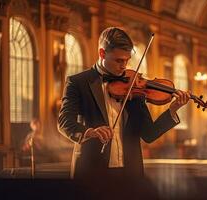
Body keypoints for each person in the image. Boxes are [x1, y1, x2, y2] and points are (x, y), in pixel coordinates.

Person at [57, 27, 190, 183]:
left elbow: (149, 134)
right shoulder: (77, 82)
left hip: (130, 174)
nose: (124, 66)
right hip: (92, 172)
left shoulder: (133, 84)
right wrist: (90, 132)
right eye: (119, 60)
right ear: (102, 53)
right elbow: (64, 122)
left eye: (127, 60)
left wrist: (172, 110)